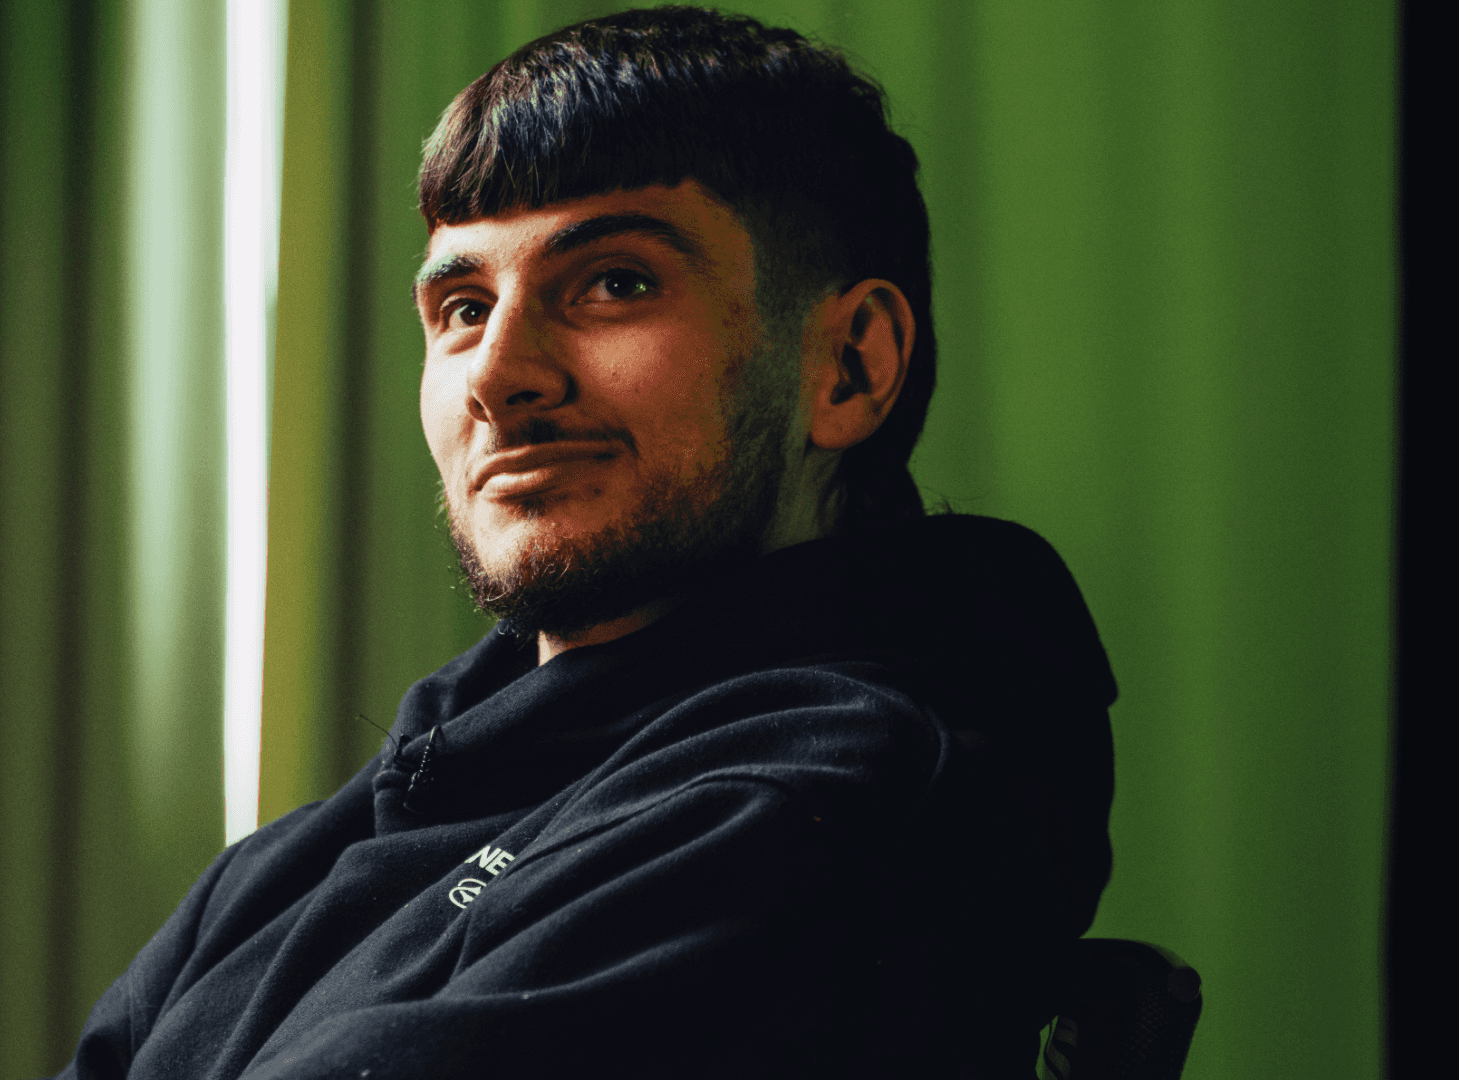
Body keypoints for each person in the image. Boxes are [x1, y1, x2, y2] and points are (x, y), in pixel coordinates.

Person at [55, 8, 1115, 1078]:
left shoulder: (817, 814)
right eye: (463, 306)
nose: (496, 374)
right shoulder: (322, 847)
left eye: (616, 283)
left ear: (849, 367)